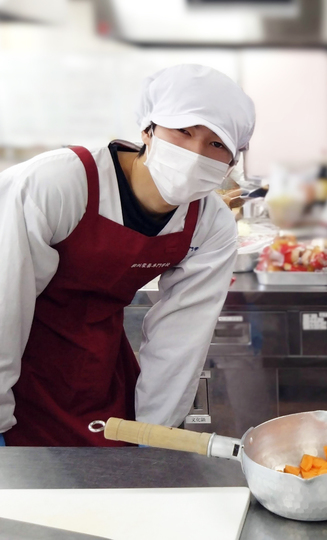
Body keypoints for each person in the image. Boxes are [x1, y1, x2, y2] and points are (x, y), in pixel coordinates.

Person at [0, 64, 256, 446]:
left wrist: (154, 435)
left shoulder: (209, 222)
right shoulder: (56, 185)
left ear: (231, 163)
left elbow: (182, 338)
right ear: (147, 129)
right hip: (16, 364)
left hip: (99, 365)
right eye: (183, 131)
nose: (195, 152)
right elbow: (5, 305)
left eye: (216, 144)